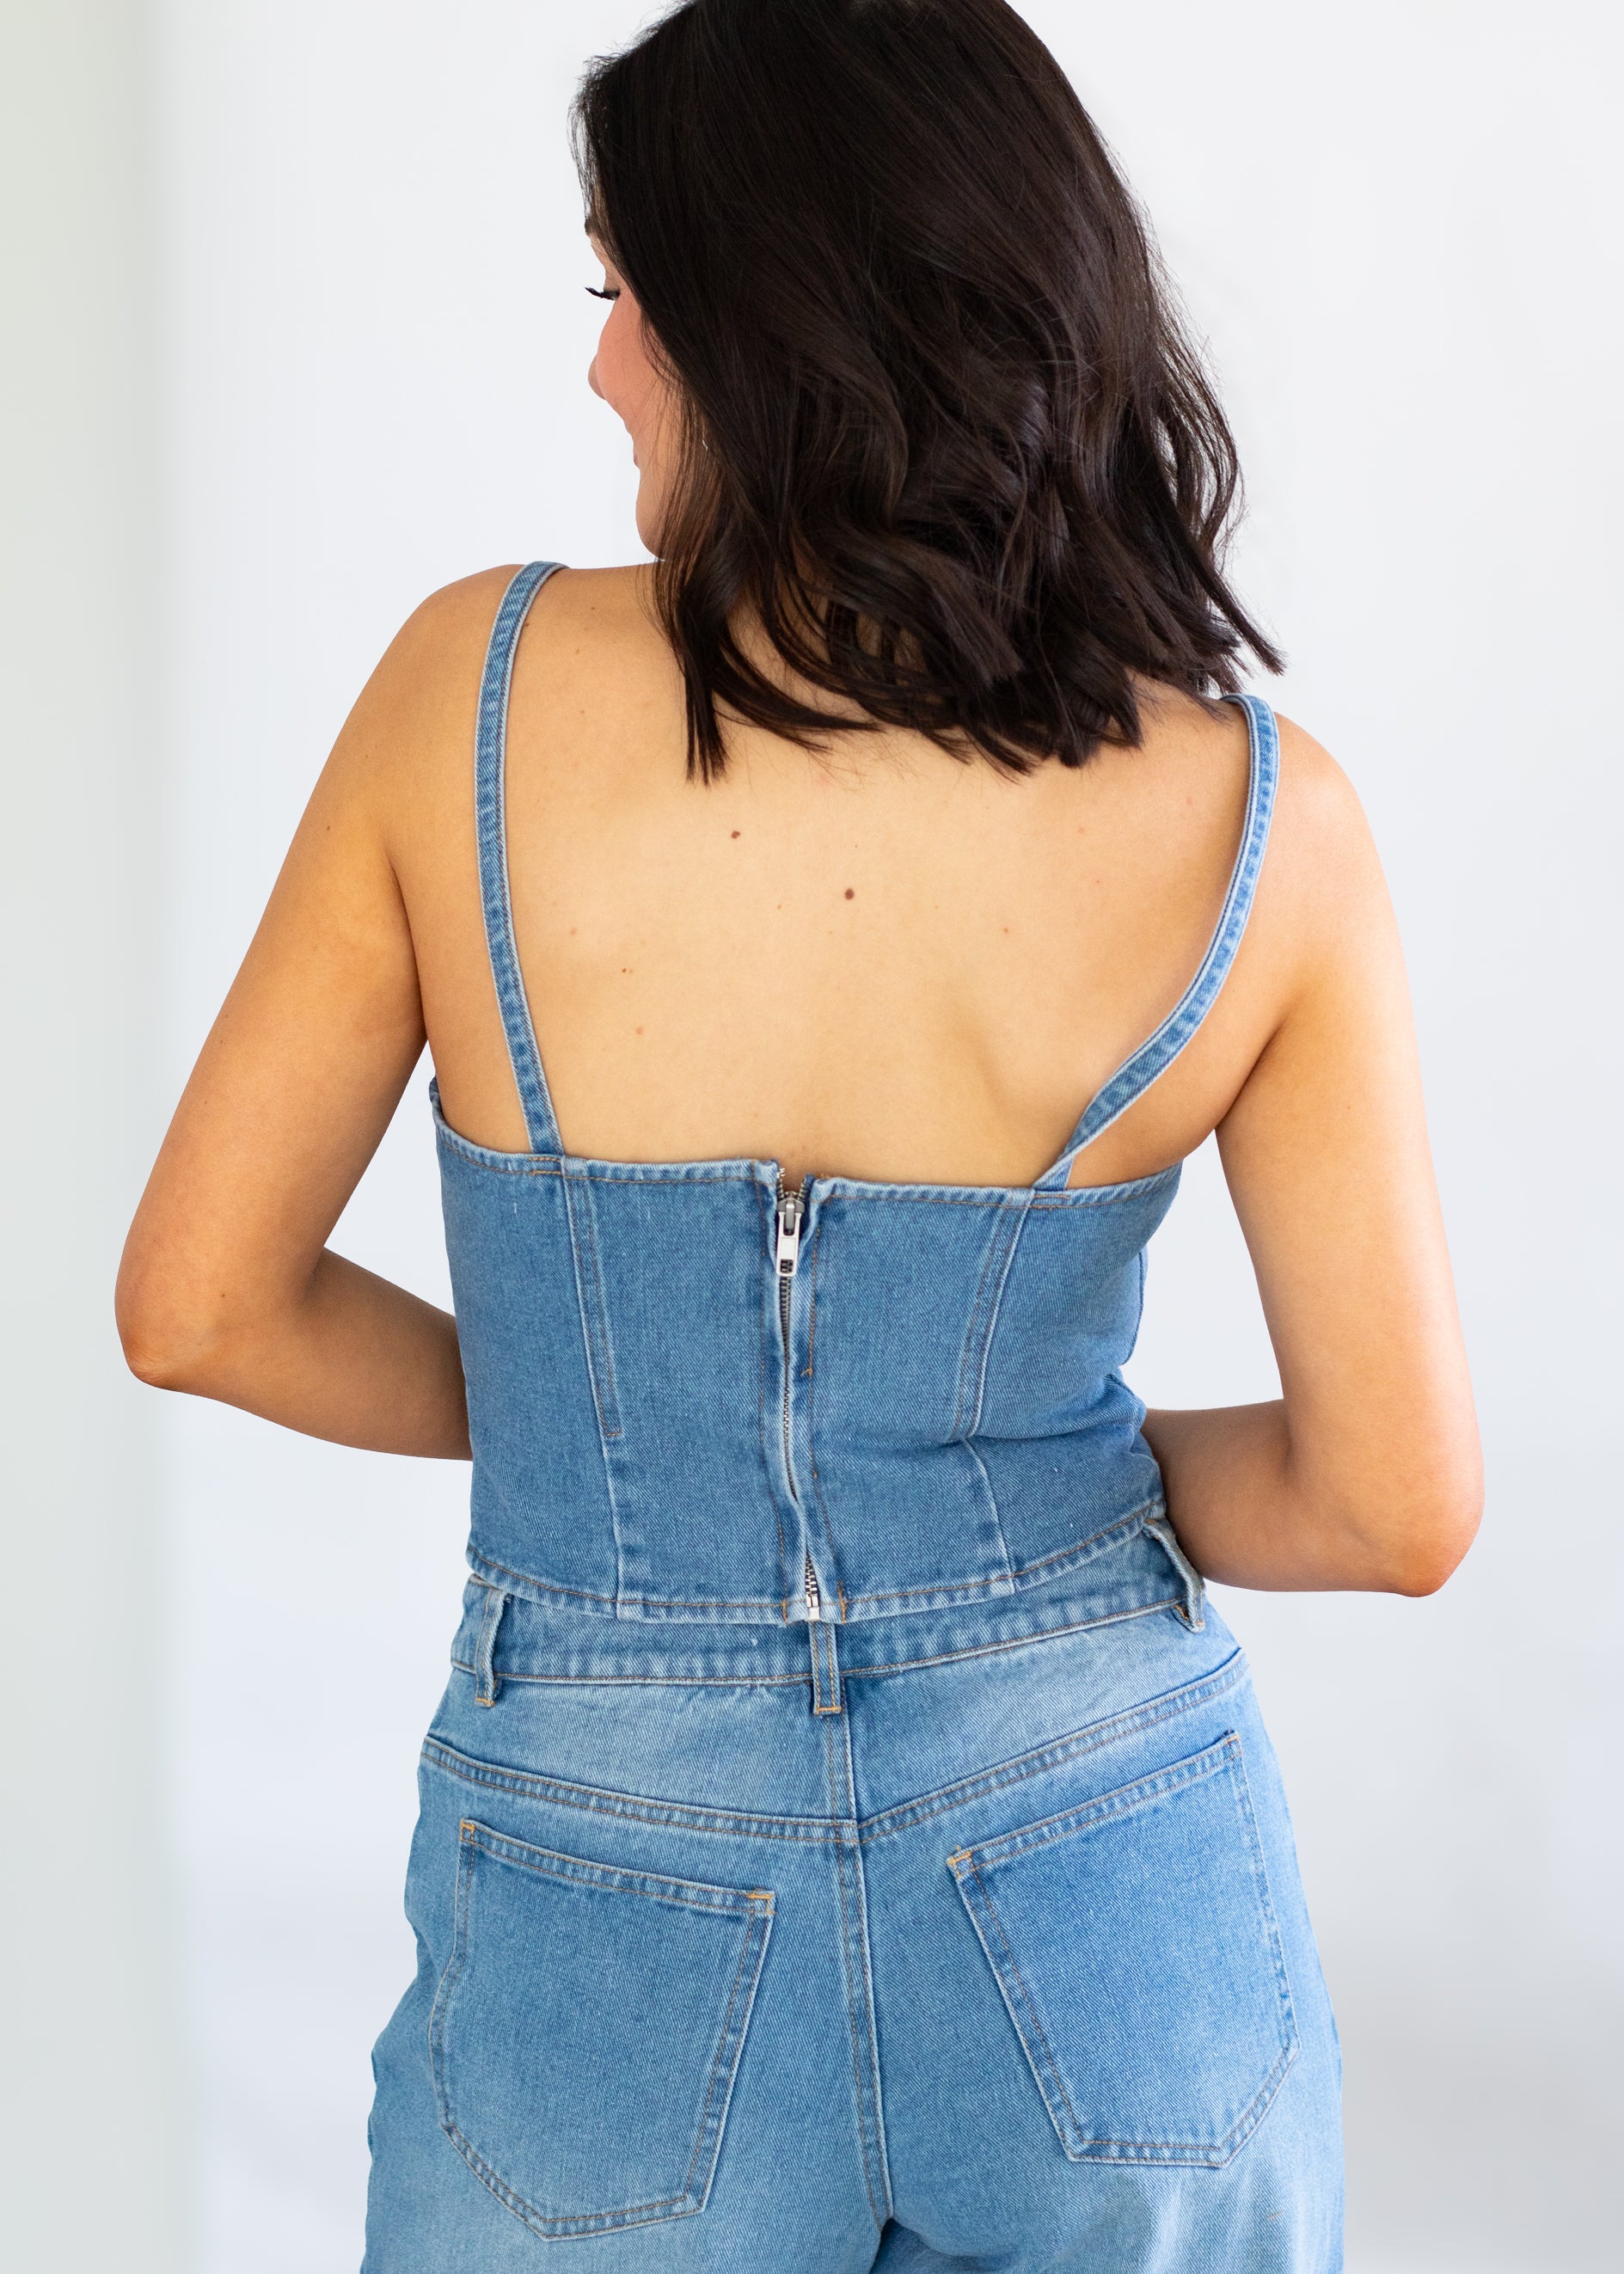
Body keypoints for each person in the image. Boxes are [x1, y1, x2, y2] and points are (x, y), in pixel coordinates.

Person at [117, 1, 1481, 2265]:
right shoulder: (1264, 822)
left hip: (599, 1886)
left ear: (772, 322)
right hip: (1107, 1878)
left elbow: (196, 1306)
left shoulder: (469, 697)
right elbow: (1392, 1504)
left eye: (620, 298)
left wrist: (612, 1435)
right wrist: (990, 1517)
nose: (598, 370)